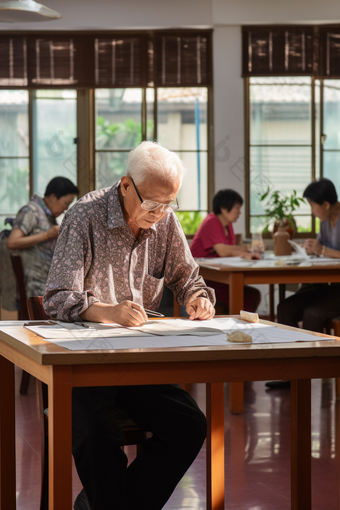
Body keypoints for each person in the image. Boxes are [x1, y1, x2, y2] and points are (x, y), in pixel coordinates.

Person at [43, 141, 216, 510]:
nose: (160, 213)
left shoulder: (165, 220)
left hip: (139, 360)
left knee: (189, 425)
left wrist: (197, 298)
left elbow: (188, 277)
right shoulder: (84, 217)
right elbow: (56, 296)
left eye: (169, 204)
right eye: (152, 203)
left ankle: (106, 503)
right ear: (125, 185)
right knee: (95, 432)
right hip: (84, 363)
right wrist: (106, 311)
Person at [277, 178, 340, 333]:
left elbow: (324, 249)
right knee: (285, 308)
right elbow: (321, 247)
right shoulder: (325, 221)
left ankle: (314, 356)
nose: (312, 211)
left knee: (312, 314)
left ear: (325, 204)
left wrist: (323, 250)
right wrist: (311, 250)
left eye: (312, 205)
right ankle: (292, 354)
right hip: (327, 284)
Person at [190, 189, 261, 312]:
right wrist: (247, 249)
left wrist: (246, 252)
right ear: (223, 207)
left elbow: (231, 250)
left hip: (220, 274)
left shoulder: (228, 225)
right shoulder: (211, 221)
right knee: (248, 296)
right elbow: (223, 251)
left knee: (253, 294)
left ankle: (240, 324)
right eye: (237, 208)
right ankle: (239, 326)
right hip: (205, 277)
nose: (240, 212)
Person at [6, 177, 79, 298]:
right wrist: (46, 235)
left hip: (46, 281)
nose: (66, 209)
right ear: (53, 197)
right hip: (35, 282)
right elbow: (12, 242)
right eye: (66, 203)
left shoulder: (47, 215)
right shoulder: (31, 211)